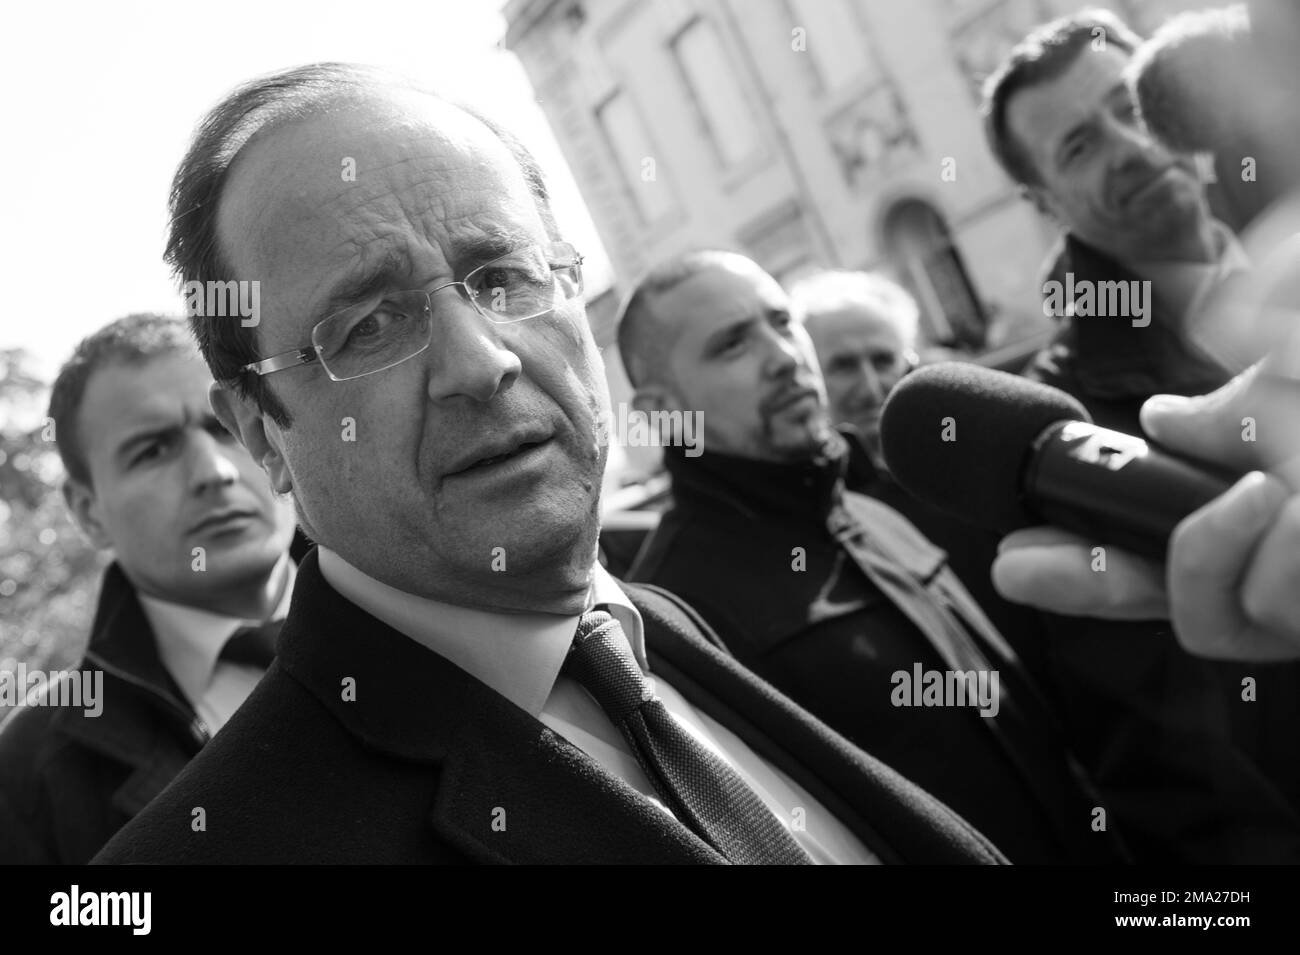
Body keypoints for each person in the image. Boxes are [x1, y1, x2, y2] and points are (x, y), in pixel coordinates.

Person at [92, 64, 1005, 866]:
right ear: (258, 429)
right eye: (369, 324)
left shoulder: (655, 629)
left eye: (503, 279)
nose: (482, 361)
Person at [0, 314, 299, 864]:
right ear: (89, 513)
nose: (214, 472)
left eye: (224, 428)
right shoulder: (30, 772)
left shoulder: (430, 615)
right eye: (153, 451)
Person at [983, 8, 1257, 435]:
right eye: (1080, 147)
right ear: (1043, 202)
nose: (1131, 147)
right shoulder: (1065, 424)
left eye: (1131, 107)